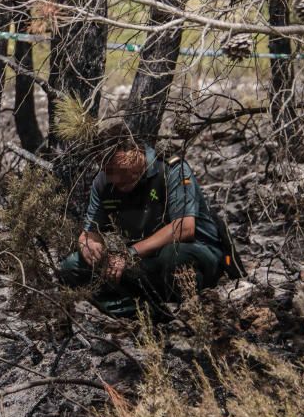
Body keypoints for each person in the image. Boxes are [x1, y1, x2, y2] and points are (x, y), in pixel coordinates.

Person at [58, 119, 234, 318]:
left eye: (121, 170)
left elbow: (185, 228)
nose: (116, 180)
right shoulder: (102, 182)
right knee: (71, 266)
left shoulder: (171, 168)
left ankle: (187, 309)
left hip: (196, 252)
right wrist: (88, 243)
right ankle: (140, 314)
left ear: (135, 150)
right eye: (109, 172)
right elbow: (90, 231)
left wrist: (130, 253)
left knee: (174, 255)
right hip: (144, 260)